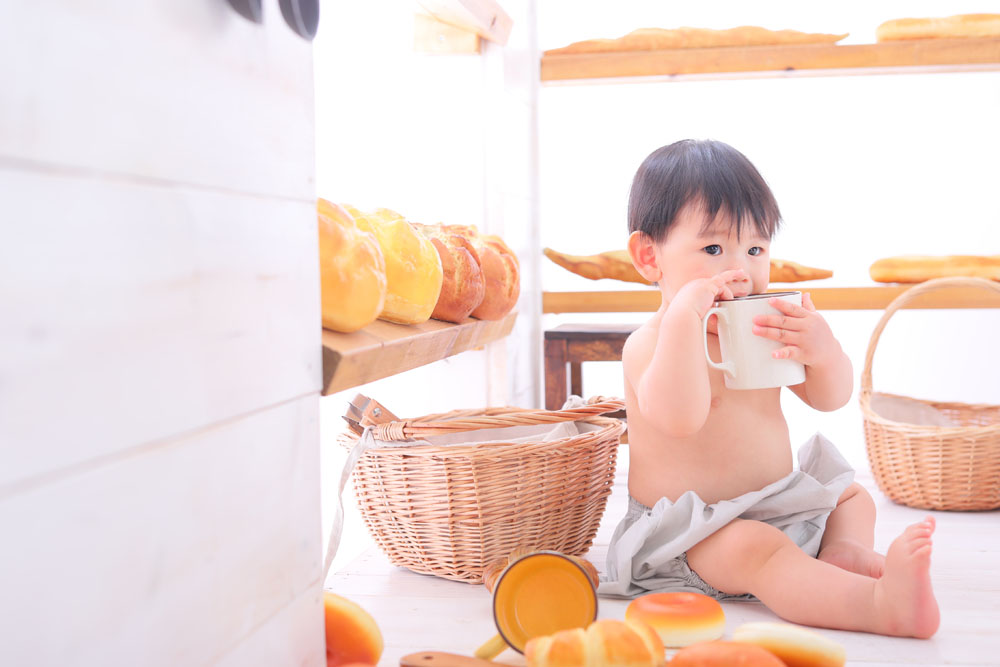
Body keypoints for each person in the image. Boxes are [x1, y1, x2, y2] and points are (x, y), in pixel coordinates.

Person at [598, 139, 939, 639]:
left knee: (851, 497)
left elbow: (830, 398)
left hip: (775, 506)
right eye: (713, 249)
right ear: (650, 257)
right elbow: (680, 419)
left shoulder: (756, 328)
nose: (740, 270)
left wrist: (821, 351)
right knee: (757, 550)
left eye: (755, 250)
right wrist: (684, 320)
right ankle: (878, 606)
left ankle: (842, 553)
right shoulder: (649, 344)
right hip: (692, 539)